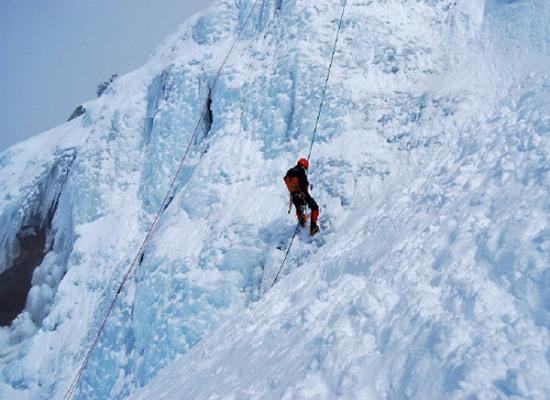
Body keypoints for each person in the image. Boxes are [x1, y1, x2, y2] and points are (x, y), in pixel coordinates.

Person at [284, 158, 320, 235]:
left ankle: (302, 224)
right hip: (302, 194)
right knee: (314, 207)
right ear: (304, 166)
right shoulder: (301, 171)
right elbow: (303, 184)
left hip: (293, 196)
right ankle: (313, 227)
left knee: (299, 208)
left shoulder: (289, 172)